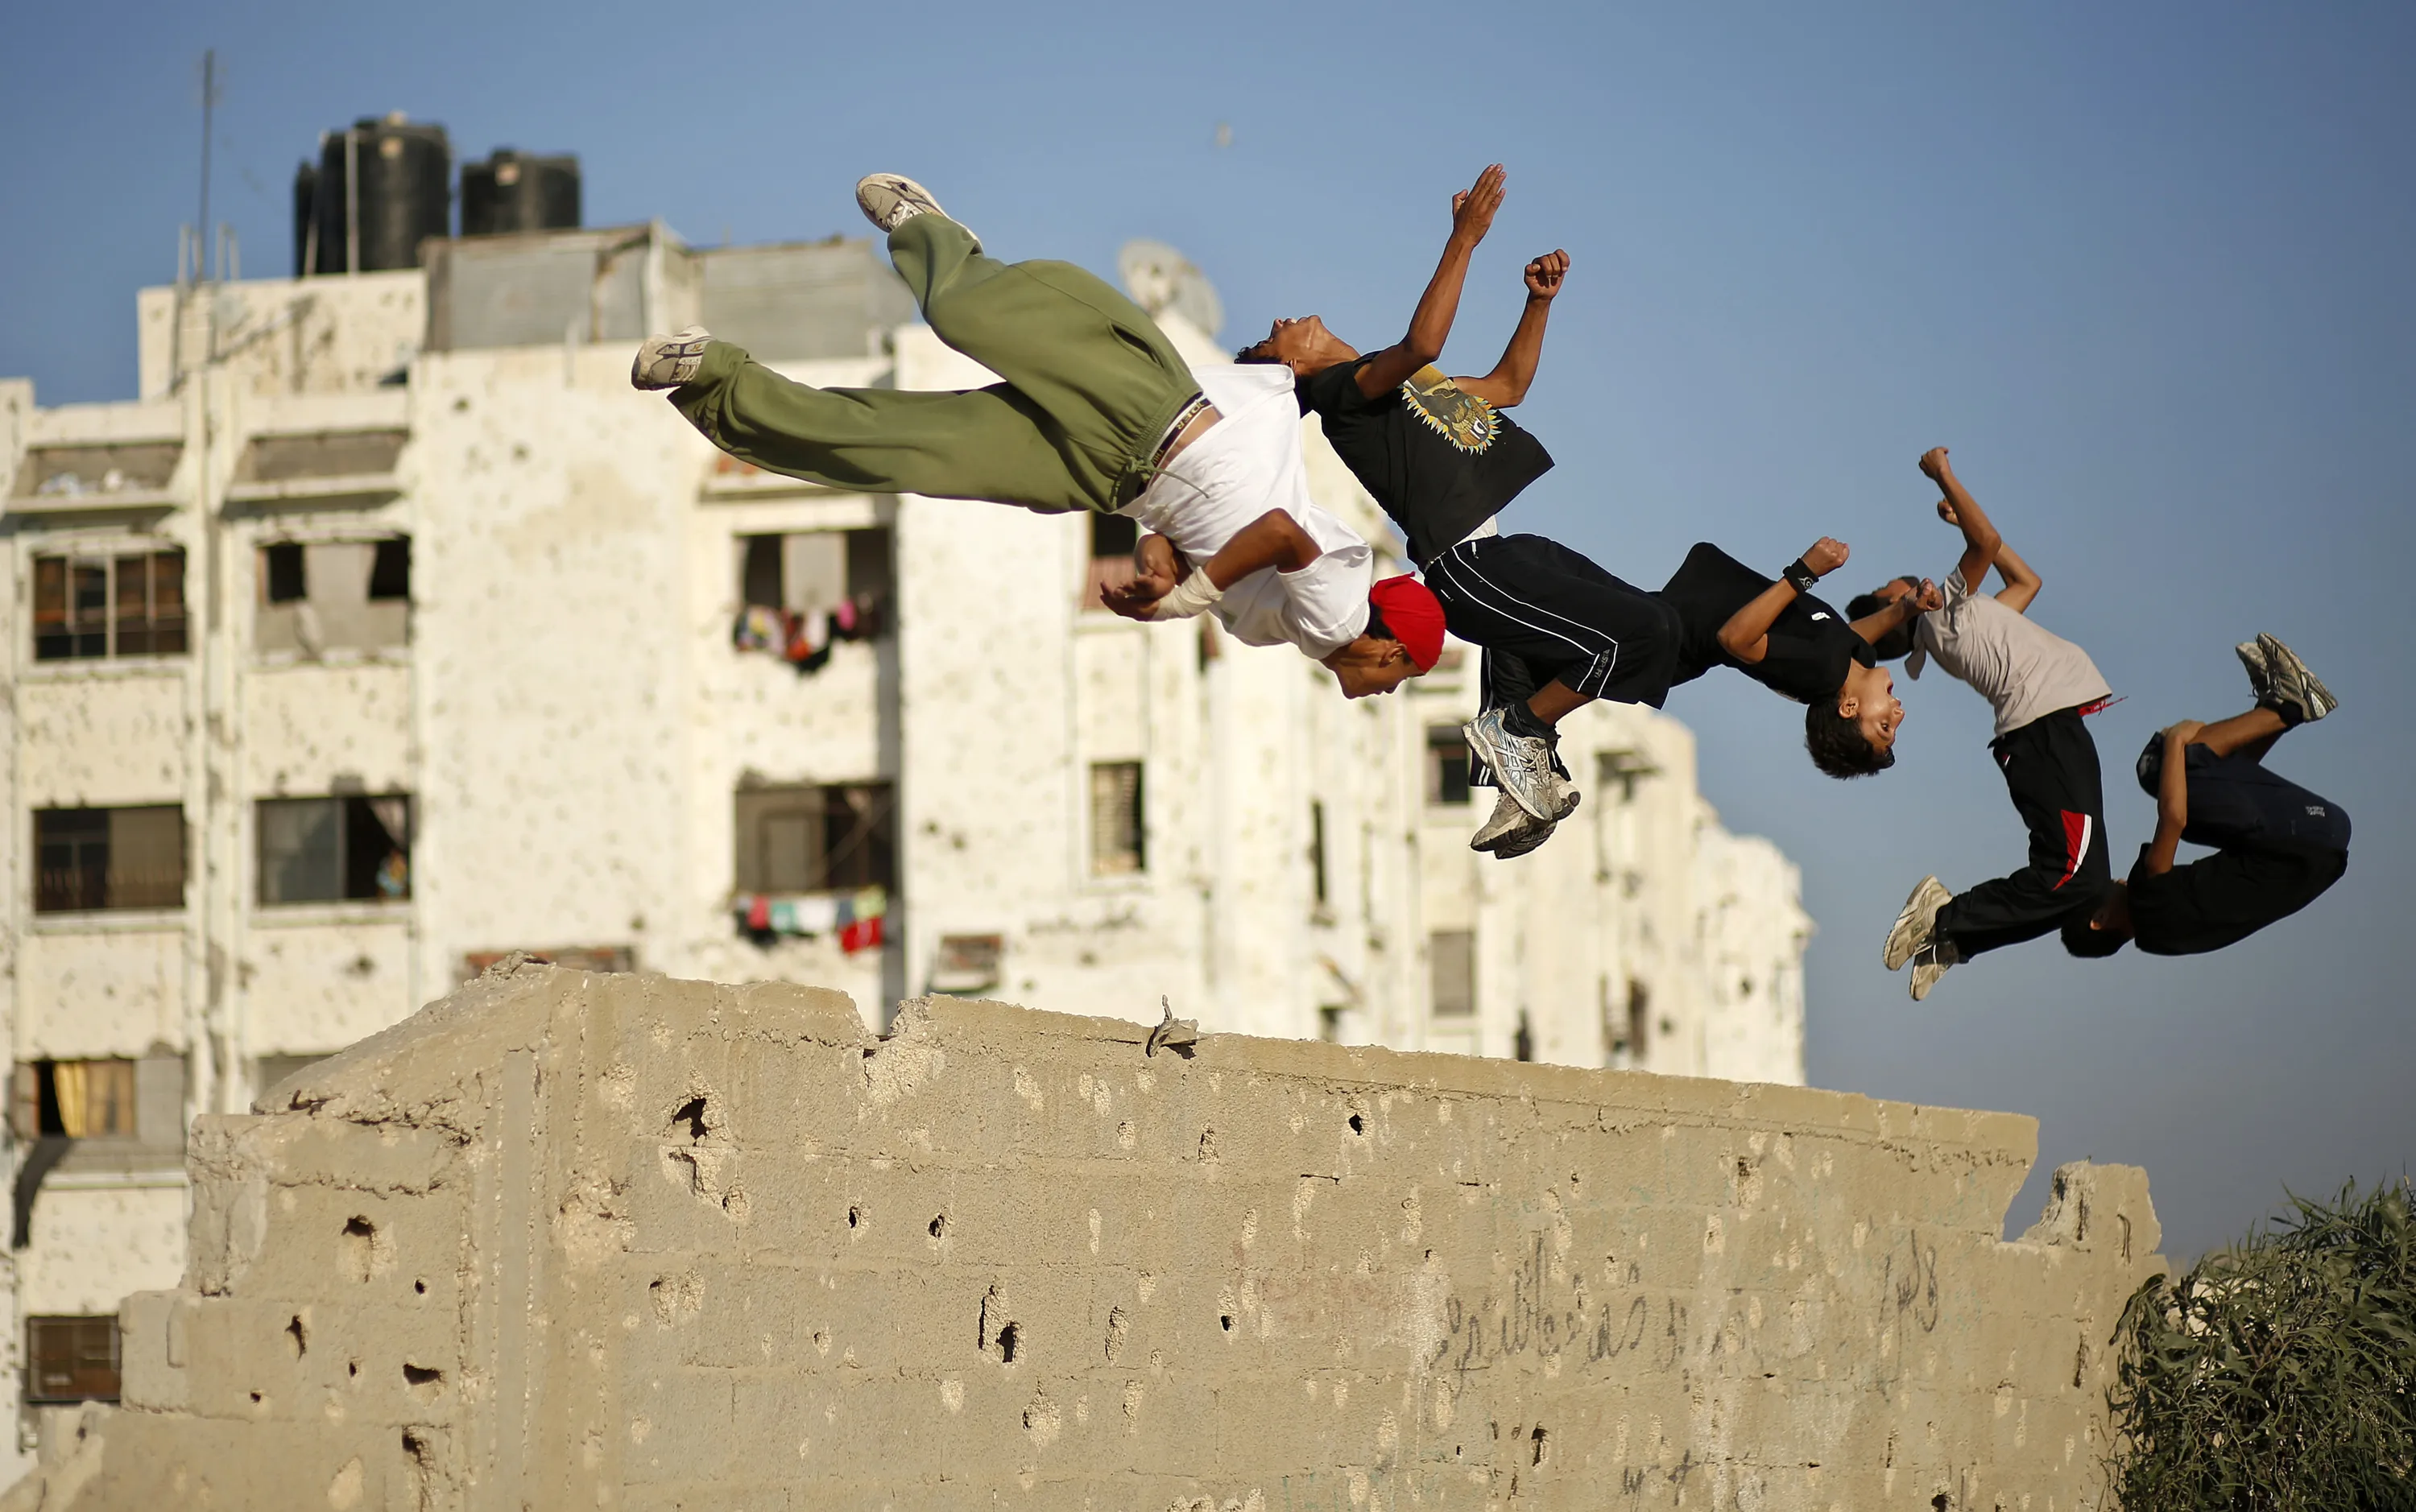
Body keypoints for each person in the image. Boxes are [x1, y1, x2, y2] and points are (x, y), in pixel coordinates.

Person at [1241, 166, 1925, 853]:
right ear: (1294, 369)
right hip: (1465, 564)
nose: (1281, 321)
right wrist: (1465, 240)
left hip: (1500, 549)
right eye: (1275, 340)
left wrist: (1537, 304)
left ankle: (1518, 761)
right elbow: (1422, 342)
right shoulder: (1345, 392)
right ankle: (1517, 734)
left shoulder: (1407, 391)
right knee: (1643, 634)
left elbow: (1508, 386)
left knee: (1611, 624)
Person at [633, 173, 1447, 697]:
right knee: (961, 311)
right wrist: (1187, 601)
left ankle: (708, 376)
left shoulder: (1285, 630)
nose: (1383, 695)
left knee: (896, 451)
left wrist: (1162, 567)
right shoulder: (1340, 609)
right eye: (1397, 683)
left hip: (1112, 478)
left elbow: (1206, 536)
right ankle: (927, 229)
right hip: (1148, 405)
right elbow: (1279, 533)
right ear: (1390, 652)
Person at [1860, 448, 2120, 1001]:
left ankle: (1956, 936)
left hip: (2046, 730)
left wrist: (1969, 531)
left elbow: (2026, 581)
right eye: (1899, 586)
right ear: (1900, 608)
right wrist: (1946, 478)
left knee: (2085, 884)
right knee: (2076, 876)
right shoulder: (1944, 614)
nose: (1913, 578)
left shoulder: (1965, 617)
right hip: (2042, 730)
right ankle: (1946, 916)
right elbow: (1986, 544)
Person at [2063, 634, 2347, 958]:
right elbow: (2173, 818)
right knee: (2157, 768)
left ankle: (2274, 710)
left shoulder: (2163, 939)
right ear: (2099, 920)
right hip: (2303, 838)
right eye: (2103, 891)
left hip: (2322, 845)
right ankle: (2288, 707)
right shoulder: (2146, 901)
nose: (2114, 881)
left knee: (2195, 800)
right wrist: (2176, 742)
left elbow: (2221, 794)